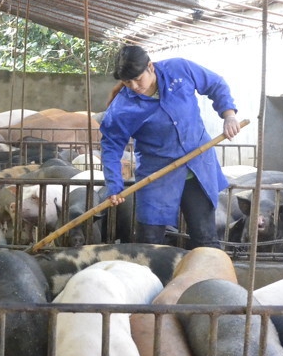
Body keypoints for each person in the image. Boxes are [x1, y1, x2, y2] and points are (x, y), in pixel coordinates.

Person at [100, 44, 240, 248]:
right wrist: (114, 185)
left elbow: (215, 84)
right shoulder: (122, 108)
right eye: (127, 82)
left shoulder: (179, 70)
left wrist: (229, 115)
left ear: (150, 67)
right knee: (150, 240)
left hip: (198, 168)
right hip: (157, 174)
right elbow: (111, 146)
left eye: (138, 79)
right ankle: (152, 278)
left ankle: (209, 277)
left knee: (205, 236)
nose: (134, 86)